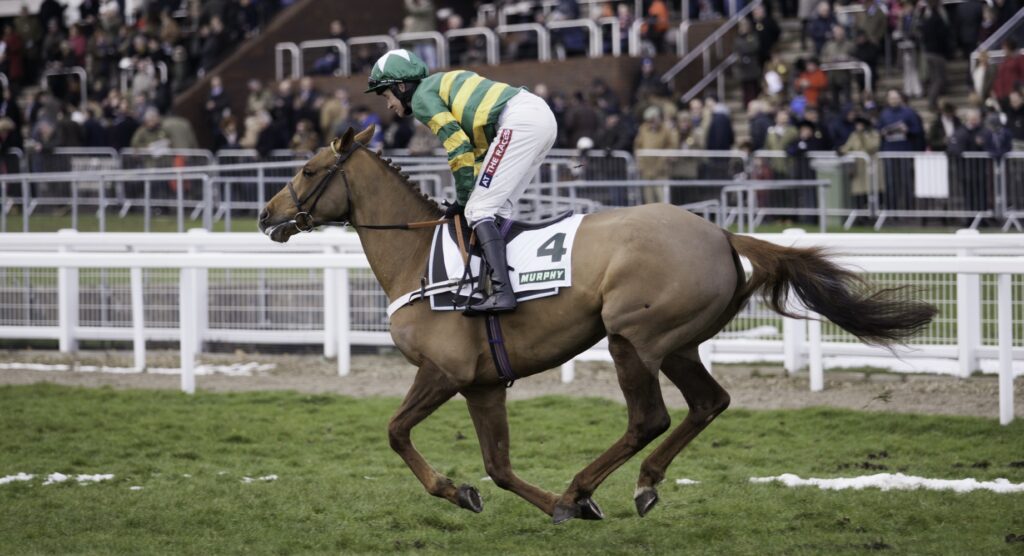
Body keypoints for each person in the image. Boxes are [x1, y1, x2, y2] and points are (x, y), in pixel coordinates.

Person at [366, 49, 557, 314]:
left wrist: (465, 199)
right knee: (497, 209)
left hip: (520, 120)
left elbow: (458, 147)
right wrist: (463, 200)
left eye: (386, 96)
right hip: (539, 117)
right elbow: (478, 154)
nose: (388, 105)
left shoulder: (422, 98)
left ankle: (503, 293)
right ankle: (503, 284)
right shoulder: (441, 85)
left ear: (401, 86)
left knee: (479, 209)